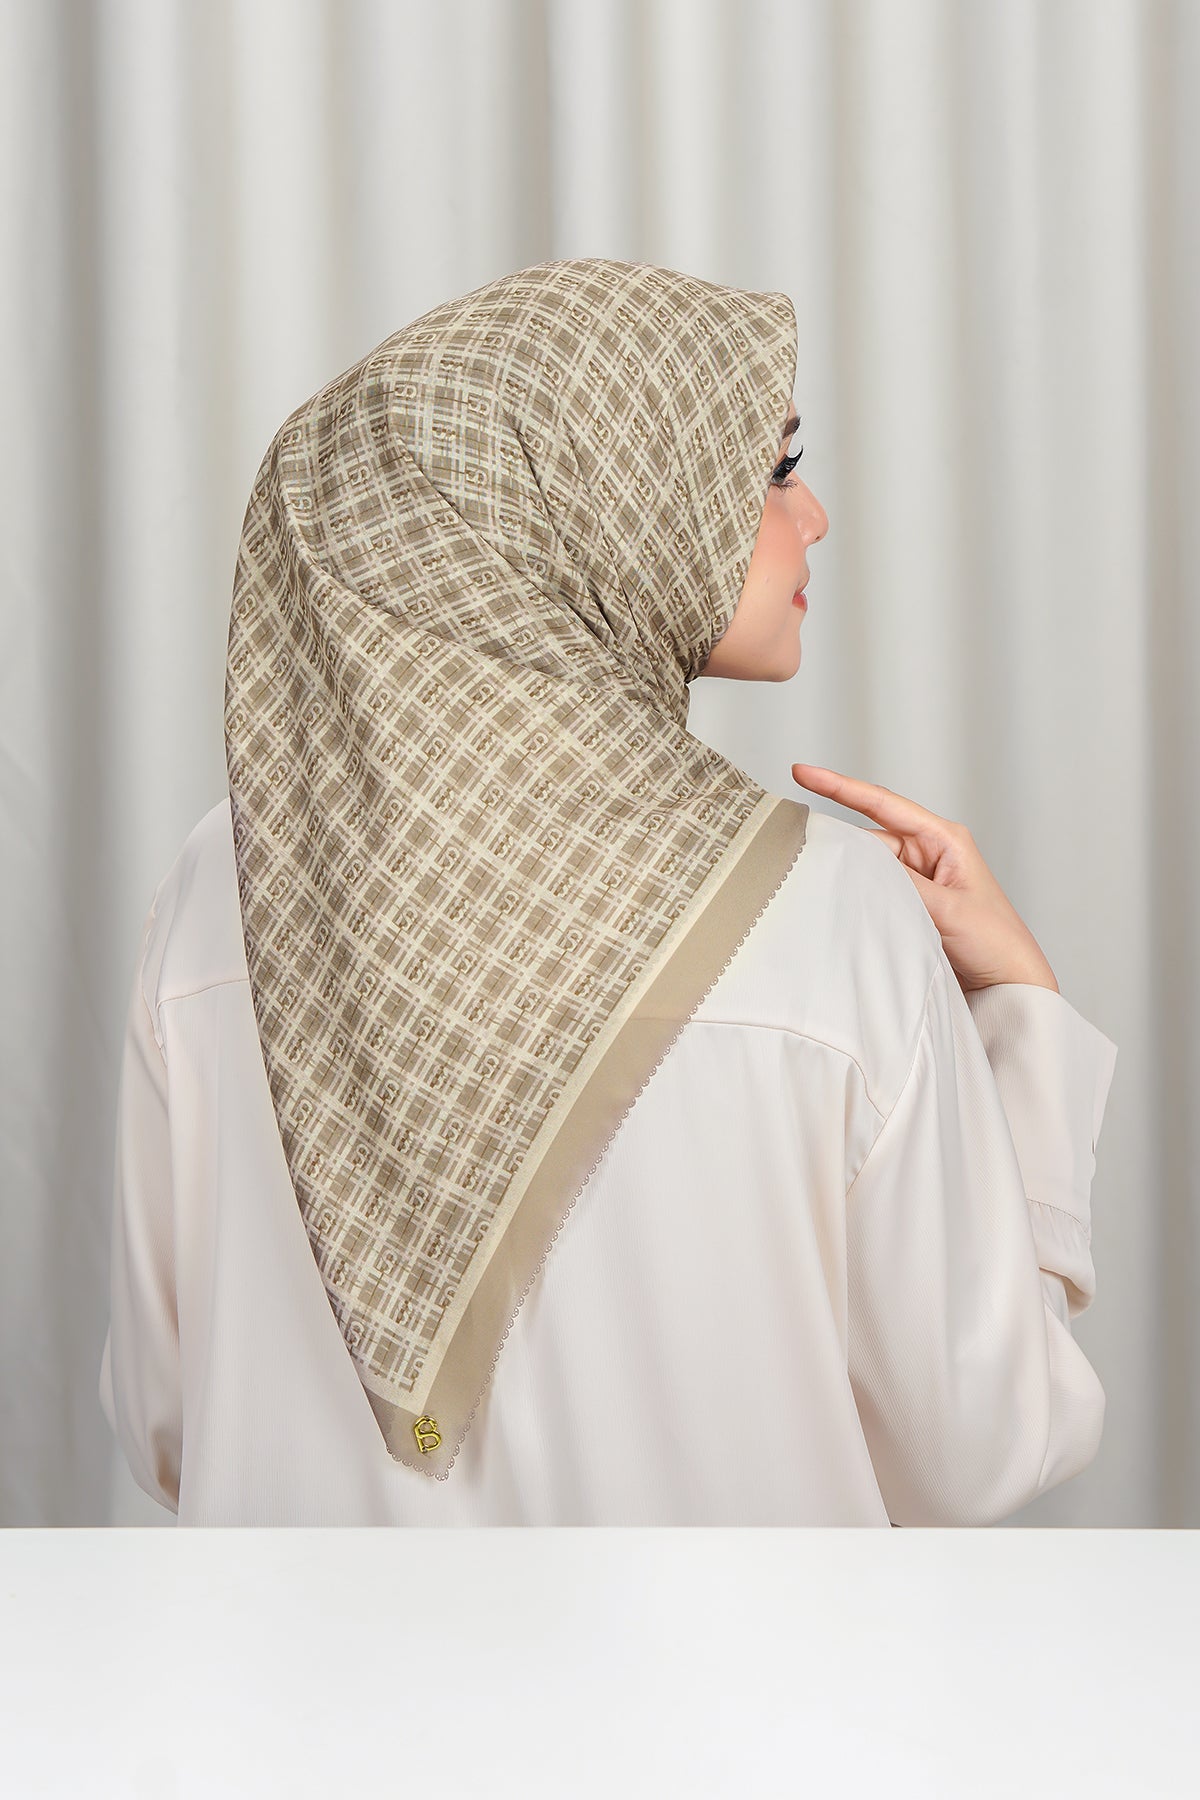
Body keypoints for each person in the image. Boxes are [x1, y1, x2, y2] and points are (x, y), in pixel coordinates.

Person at [99, 257, 1117, 1526]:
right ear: (596, 498)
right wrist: (1021, 1018)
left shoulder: (222, 888)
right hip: (735, 1669)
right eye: (774, 468)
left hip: (304, 1660)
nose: (812, 517)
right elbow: (977, 1446)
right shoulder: (833, 917)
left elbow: (166, 1417)